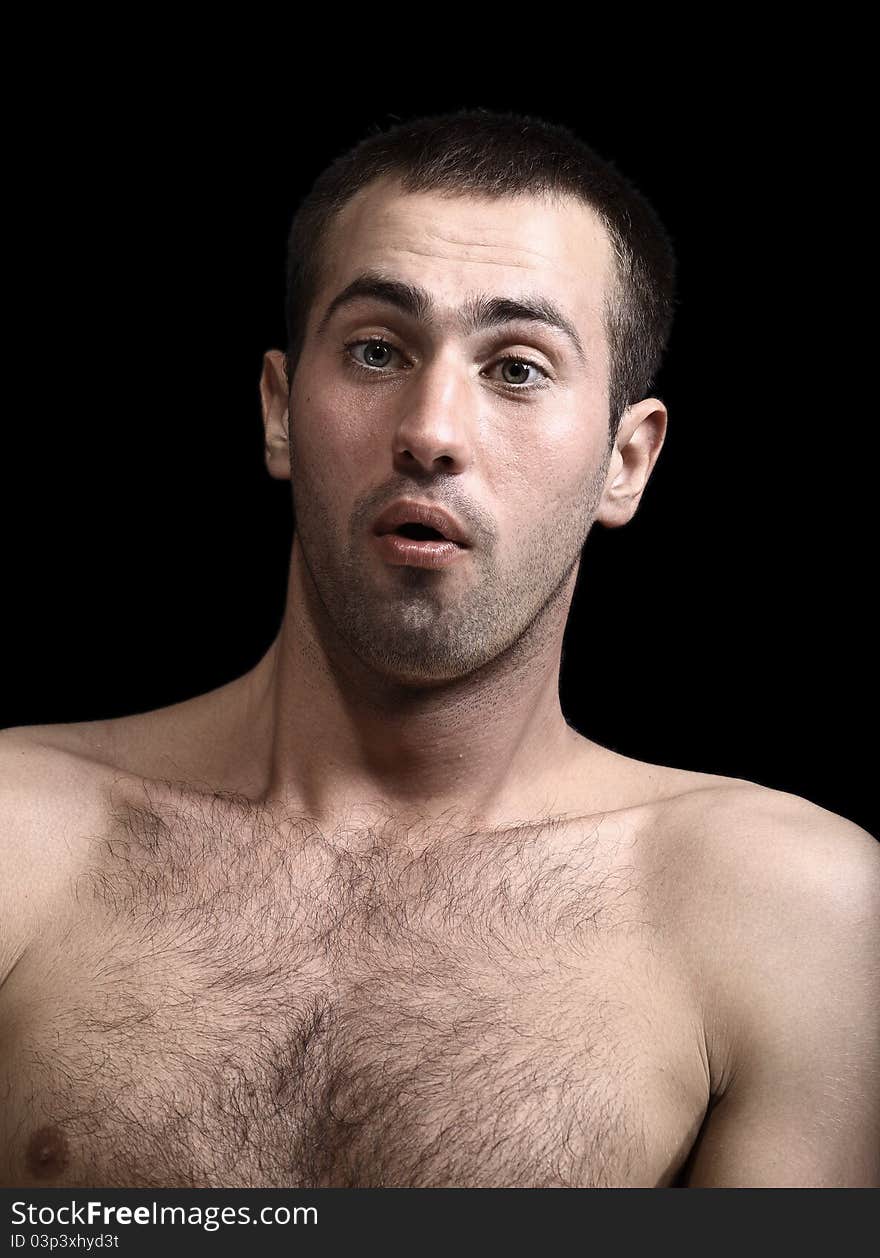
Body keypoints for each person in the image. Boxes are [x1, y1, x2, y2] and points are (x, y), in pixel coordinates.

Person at [1, 108, 877, 1190]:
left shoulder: (785, 912)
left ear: (626, 459)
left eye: (516, 368)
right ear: (279, 410)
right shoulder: (16, 839)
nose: (431, 429)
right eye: (376, 349)